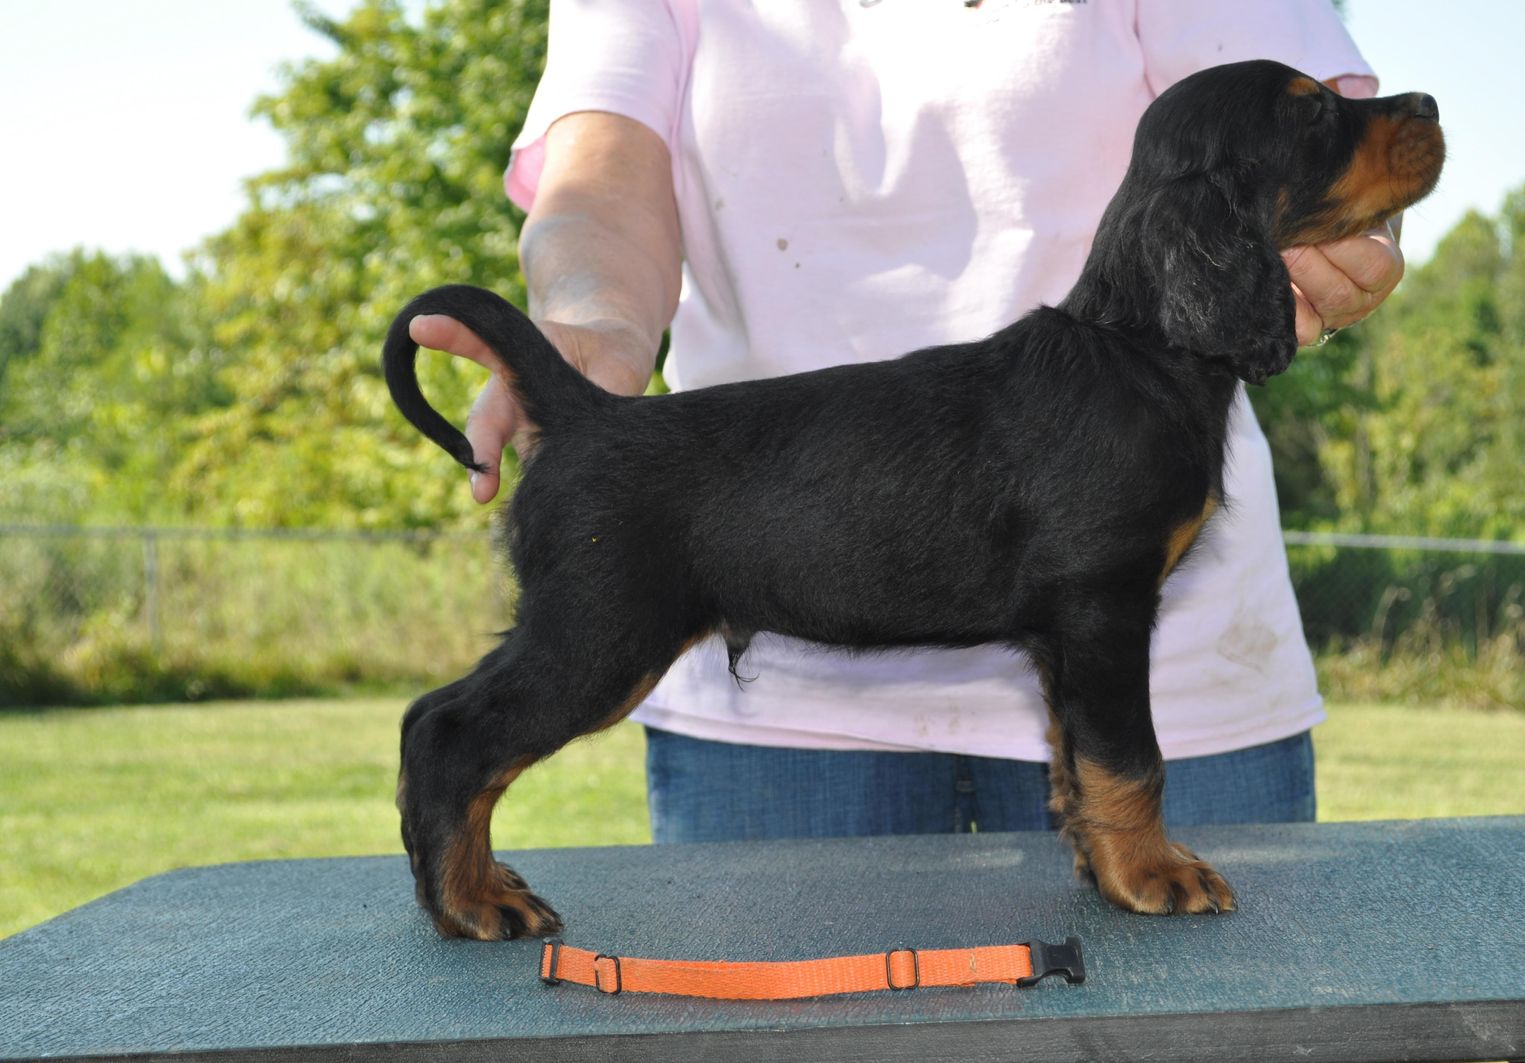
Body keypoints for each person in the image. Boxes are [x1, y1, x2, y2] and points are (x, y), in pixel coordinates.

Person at [410, 0, 1405, 843]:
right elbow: (602, 171)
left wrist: (1345, 242)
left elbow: (1311, 142)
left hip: (1183, 688)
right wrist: (589, 330)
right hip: (768, 672)